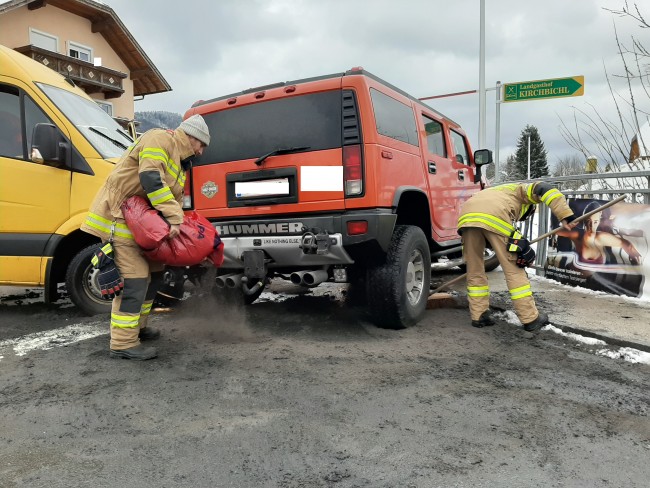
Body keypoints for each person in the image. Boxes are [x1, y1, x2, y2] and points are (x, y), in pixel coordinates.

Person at [81, 115, 211, 360]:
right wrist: (174, 217)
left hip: (142, 228)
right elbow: (150, 178)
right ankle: (123, 343)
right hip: (120, 220)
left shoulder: (178, 160)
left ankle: (138, 328)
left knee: (154, 277)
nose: (201, 151)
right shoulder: (160, 139)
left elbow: (171, 198)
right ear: (191, 137)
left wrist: (179, 226)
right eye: (201, 144)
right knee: (135, 280)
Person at [457, 182, 575, 332]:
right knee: (514, 268)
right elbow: (547, 189)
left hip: (466, 217)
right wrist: (566, 215)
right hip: (493, 214)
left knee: (474, 269)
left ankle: (479, 315)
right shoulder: (523, 190)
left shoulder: (500, 191)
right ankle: (530, 318)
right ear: (528, 206)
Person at [555, 202, 643, 266]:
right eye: (588, 221)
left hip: (592, 283)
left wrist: (635, 255)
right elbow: (556, 231)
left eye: (595, 222)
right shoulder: (578, 234)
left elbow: (625, 244)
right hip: (573, 279)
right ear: (584, 220)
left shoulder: (601, 237)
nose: (591, 225)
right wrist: (566, 224)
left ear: (599, 222)